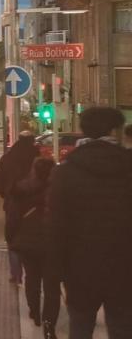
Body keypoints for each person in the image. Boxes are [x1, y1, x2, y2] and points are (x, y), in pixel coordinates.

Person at [47, 107, 132, 339]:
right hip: (125, 268)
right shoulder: (128, 166)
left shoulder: (65, 172)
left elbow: (56, 227)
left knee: (81, 326)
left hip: (79, 269)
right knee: (123, 327)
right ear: (115, 131)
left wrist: (56, 274)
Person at [12, 157, 60, 338]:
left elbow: (13, 217)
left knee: (32, 277)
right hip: (52, 242)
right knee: (52, 285)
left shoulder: (22, 188)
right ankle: (49, 324)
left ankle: (34, 311)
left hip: (28, 242)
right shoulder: (58, 191)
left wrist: (12, 238)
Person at [0, 132, 39, 283]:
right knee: (36, 237)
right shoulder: (38, 158)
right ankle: (33, 272)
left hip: (14, 203)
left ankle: (16, 274)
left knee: (13, 237)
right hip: (36, 205)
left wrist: (7, 194)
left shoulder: (9, 157)